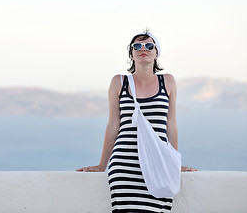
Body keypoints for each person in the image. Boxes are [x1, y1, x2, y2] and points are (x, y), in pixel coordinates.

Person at [76, 30, 197, 212]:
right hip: (125, 165)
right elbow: (113, 125)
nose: (143, 49)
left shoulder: (168, 82)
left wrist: (174, 163)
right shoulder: (119, 82)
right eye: (137, 46)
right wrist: (102, 165)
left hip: (158, 164)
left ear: (157, 54)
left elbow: (171, 125)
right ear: (131, 54)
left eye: (149, 46)